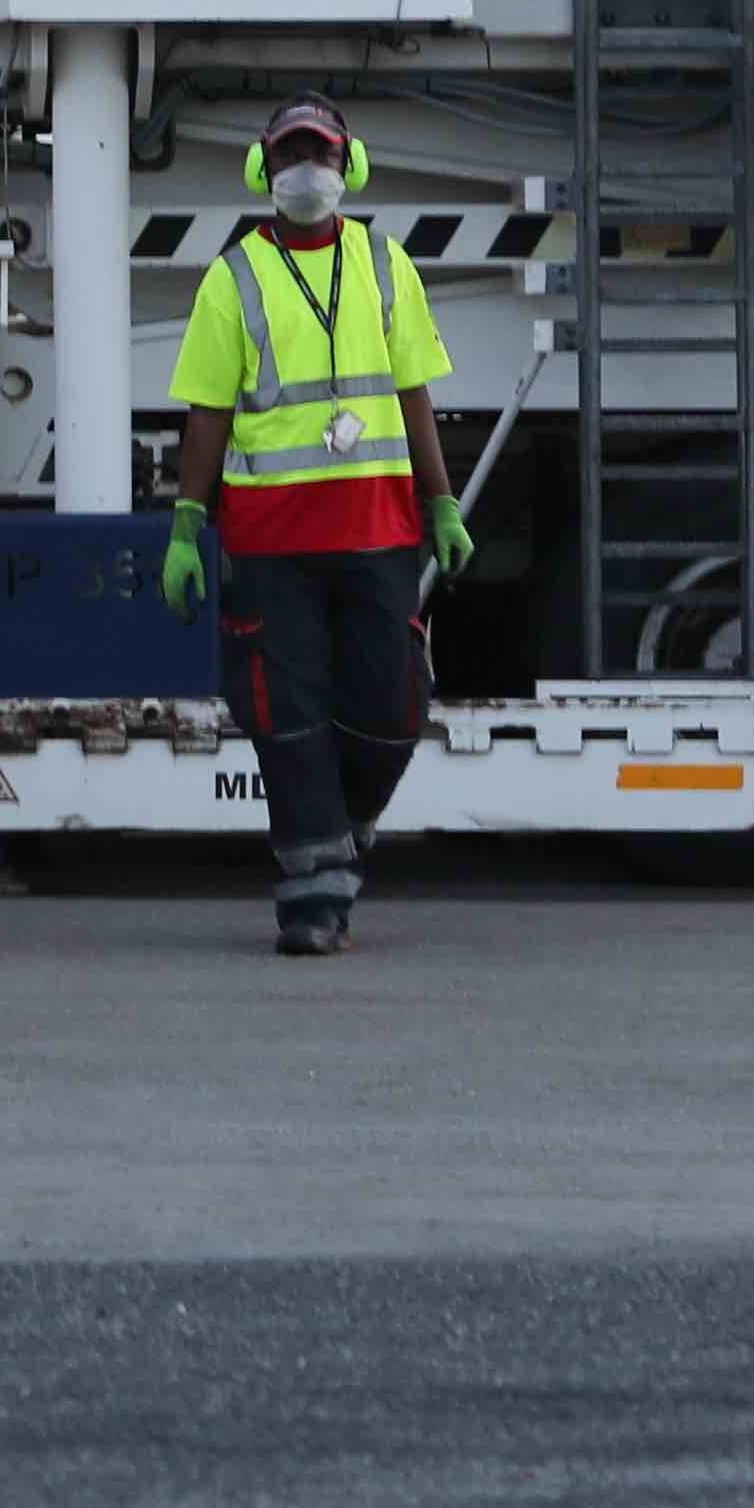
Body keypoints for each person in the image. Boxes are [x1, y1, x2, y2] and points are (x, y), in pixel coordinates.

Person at [158, 94, 467, 955]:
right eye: (292, 156)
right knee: (285, 718)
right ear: (263, 172)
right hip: (271, 542)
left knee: (392, 707)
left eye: (322, 156)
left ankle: (335, 833)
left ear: (349, 167)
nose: (308, 172)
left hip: (379, 530)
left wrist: (442, 501)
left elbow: (413, 391)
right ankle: (313, 900)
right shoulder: (233, 278)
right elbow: (208, 413)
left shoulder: (385, 265)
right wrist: (186, 525)